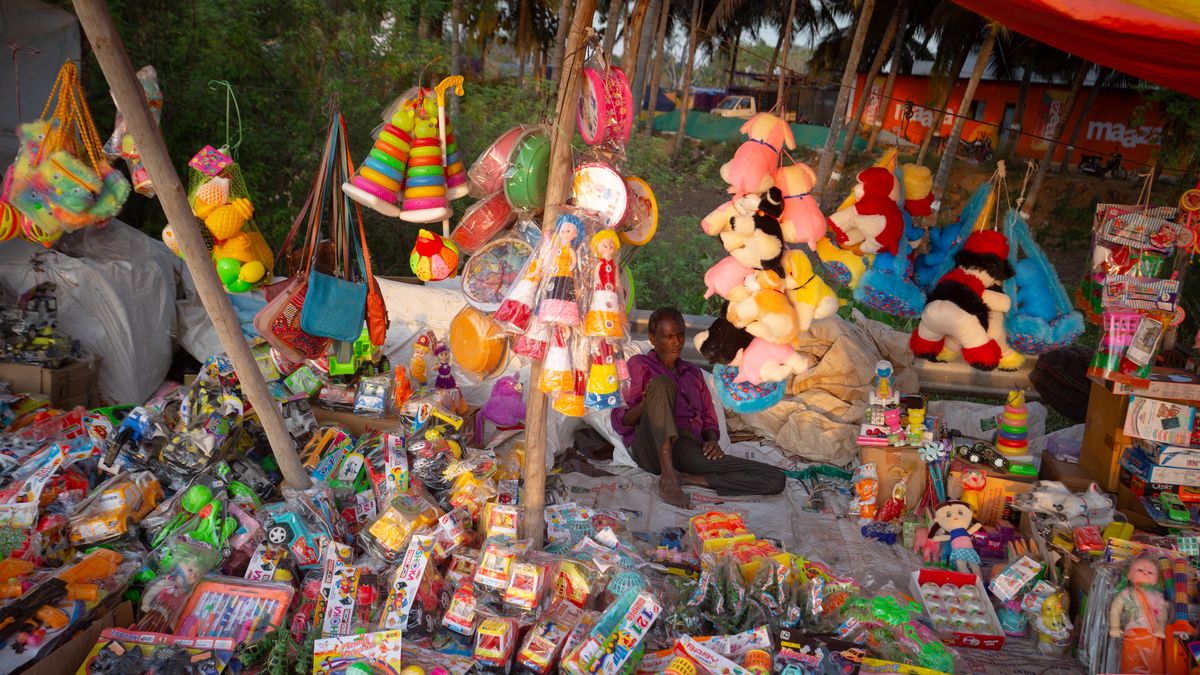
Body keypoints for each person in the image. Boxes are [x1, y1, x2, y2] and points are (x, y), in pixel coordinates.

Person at [612, 307, 787, 508]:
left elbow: (708, 417)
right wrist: (646, 403)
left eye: (680, 336)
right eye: (668, 337)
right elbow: (621, 421)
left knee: (774, 478)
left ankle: (686, 478)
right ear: (652, 338)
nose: (676, 343)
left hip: (686, 449)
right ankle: (668, 479)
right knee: (661, 384)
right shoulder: (639, 364)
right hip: (651, 447)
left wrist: (712, 440)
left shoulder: (694, 373)